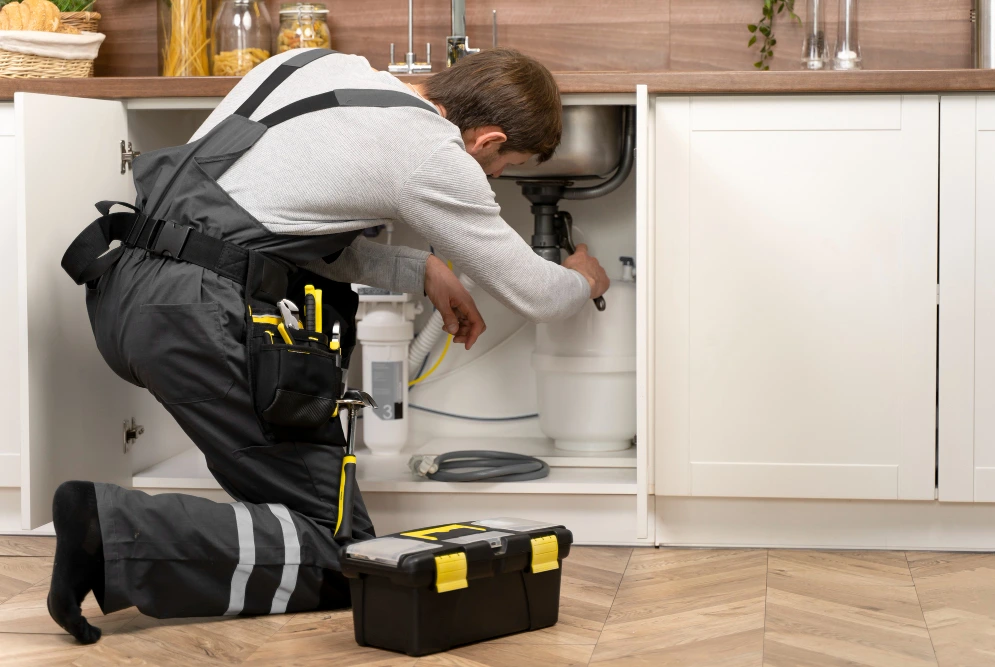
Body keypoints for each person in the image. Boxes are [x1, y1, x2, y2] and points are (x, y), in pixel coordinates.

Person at [51, 47, 610, 644]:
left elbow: (266, 217)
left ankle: (121, 536)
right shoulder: (430, 154)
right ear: (487, 138)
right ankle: (110, 529)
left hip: (127, 292)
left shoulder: (315, 62)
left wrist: (419, 267)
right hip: (200, 321)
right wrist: (586, 278)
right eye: (503, 167)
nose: (492, 182)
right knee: (353, 560)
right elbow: (541, 296)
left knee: (319, 529)